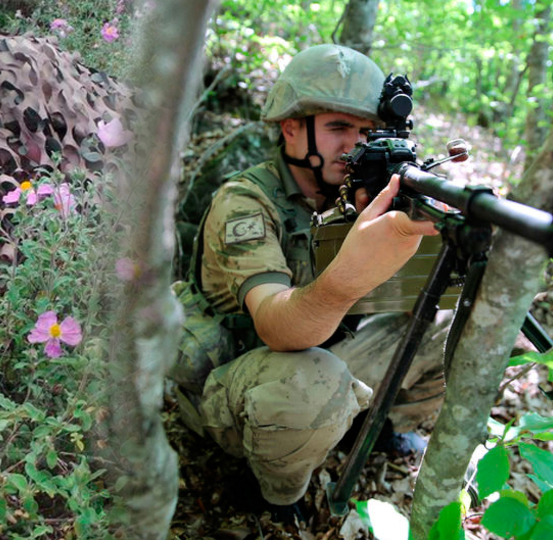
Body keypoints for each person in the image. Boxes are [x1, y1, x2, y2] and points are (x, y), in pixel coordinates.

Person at [174, 44, 451, 520]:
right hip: (236, 385)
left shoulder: (353, 195)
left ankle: (380, 426)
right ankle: (278, 496)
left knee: (451, 324)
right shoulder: (244, 202)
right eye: (338, 128)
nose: (355, 145)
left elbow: (408, 303)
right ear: (290, 130)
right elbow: (280, 328)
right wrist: (349, 276)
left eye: (368, 131)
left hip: (322, 359)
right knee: (309, 381)